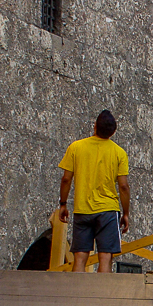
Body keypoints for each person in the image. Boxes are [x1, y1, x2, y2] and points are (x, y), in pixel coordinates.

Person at [58, 110, 131, 273]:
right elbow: (124, 186)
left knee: (80, 257)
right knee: (105, 257)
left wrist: (63, 204)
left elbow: (66, 179)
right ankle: (101, 297)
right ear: (113, 132)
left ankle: (77, 295)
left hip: (82, 209)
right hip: (108, 211)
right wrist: (125, 213)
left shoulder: (76, 147)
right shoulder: (119, 153)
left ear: (95, 126)